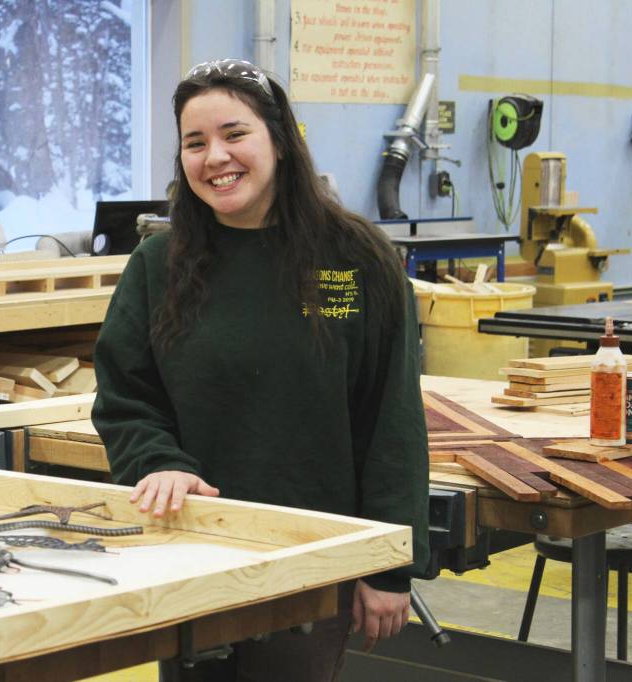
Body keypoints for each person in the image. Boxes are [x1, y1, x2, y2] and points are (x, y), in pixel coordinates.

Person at [91, 58, 429, 682]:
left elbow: (393, 422)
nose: (215, 157)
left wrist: (388, 564)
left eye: (234, 134)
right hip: (188, 543)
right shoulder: (158, 263)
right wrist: (158, 462)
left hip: (312, 552)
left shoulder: (359, 260)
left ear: (278, 138)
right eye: (196, 143)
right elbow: (124, 395)